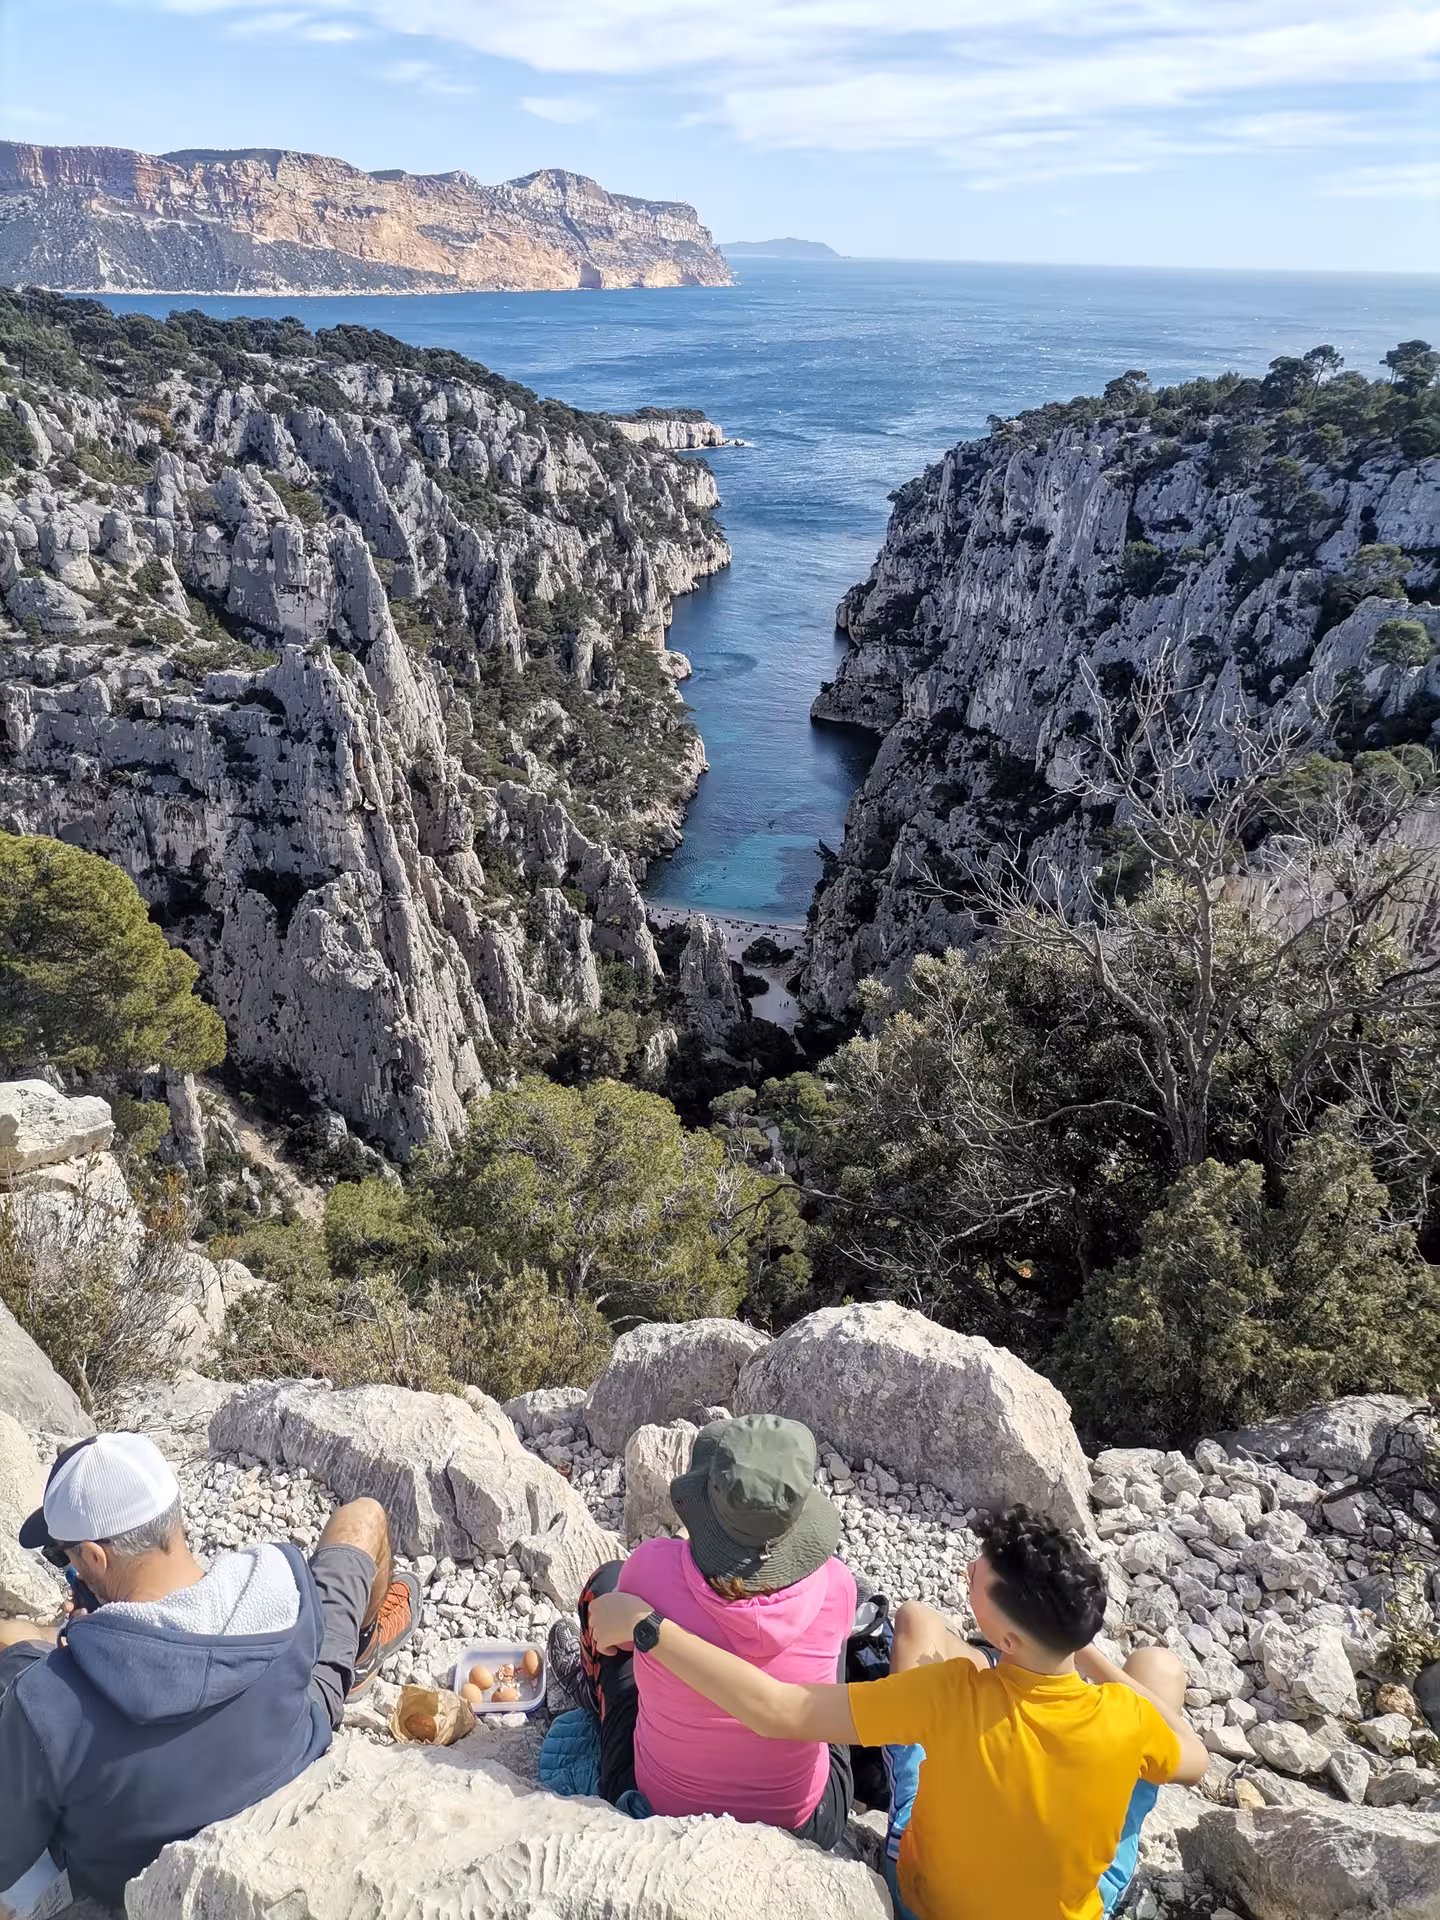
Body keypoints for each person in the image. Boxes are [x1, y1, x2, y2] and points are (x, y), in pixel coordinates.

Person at [589, 1502, 1210, 1920]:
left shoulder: (949, 1694)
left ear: (1010, 1643)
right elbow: (1195, 1761)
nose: (967, 1575)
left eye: (976, 1581)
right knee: (1160, 1671)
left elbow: (777, 1710)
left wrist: (647, 1628)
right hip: (1063, 1905)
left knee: (915, 1622)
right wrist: (1085, 1653)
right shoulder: (1127, 1718)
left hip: (923, 1902)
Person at [0, 1431, 420, 1908]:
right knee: (361, 1516)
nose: (68, 1566)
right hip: (300, 1734)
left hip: (133, 1879)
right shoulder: (286, 1586)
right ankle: (358, 1656)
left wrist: (75, 1646)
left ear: (95, 1556)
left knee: (16, 1648)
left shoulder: (45, 1702)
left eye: (65, 1555)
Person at [550, 1413, 857, 1848]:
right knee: (832, 1644)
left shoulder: (650, 1571)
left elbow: (611, 1632)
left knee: (606, 1586)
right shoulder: (836, 1584)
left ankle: (589, 1691)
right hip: (805, 1820)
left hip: (665, 1808)